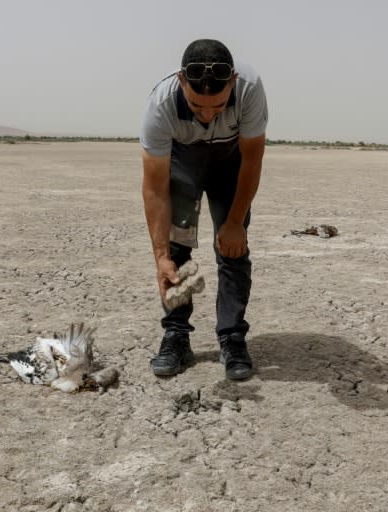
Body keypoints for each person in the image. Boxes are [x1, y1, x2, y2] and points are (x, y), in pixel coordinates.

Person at [139, 39, 268, 380]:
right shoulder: (161, 104)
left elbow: (252, 161)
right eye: (197, 107)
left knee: (232, 249)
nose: (208, 115)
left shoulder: (250, 89)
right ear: (181, 82)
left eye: (218, 106)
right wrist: (160, 255)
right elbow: (154, 188)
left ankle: (233, 338)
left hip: (231, 163)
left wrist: (235, 222)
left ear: (233, 82)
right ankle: (176, 336)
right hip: (184, 161)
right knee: (177, 249)